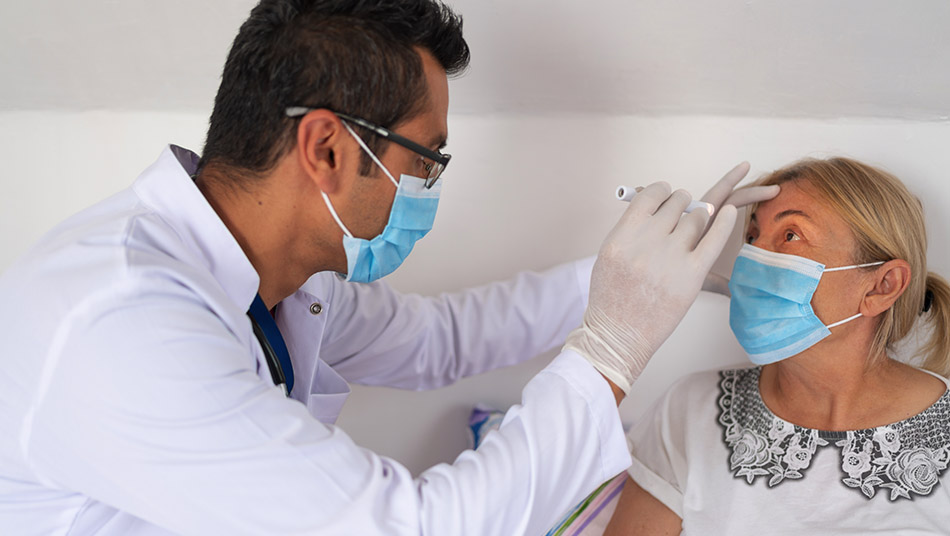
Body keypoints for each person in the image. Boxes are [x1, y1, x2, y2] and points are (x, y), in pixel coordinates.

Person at [0, 1, 775, 534]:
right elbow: (416, 528)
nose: (429, 184)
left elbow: (443, 338)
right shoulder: (125, 324)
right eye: (425, 159)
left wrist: (639, 273)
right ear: (327, 149)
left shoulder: (283, 279)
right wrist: (611, 348)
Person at [604, 157, 950, 535]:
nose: (752, 258)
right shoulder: (691, 408)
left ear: (882, 286)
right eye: (752, 237)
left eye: (790, 236)